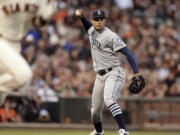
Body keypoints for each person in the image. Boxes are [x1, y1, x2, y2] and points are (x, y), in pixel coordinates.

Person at [75, 9, 145, 135]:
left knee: (109, 99)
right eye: (96, 19)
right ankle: (99, 131)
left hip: (114, 72)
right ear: (92, 21)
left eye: (101, 19)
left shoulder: (111, 35)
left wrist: (136, 72)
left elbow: (128, 52)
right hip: (100, 76)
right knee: (95, 110)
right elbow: (87, 26)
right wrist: (81, 17)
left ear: (105, 20)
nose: (99, 22)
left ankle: (123, 130)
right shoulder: (91, 31)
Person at [0, 0, 56, 106]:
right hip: (1, 39)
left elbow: (35, 22)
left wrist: (44, 18)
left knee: (1, 99)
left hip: (14, 45)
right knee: (22, 76)